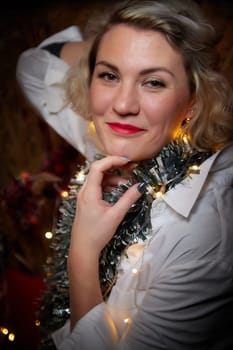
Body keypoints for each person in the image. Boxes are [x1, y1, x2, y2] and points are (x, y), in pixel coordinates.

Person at [19, 0, 233, 349]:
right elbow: (33, 65)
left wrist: (83, 255)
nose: (122, 104)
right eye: (109, 75)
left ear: (193, 101)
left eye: (153, 82)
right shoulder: (117, 143)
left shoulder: (206, 233)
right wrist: (117, 43)